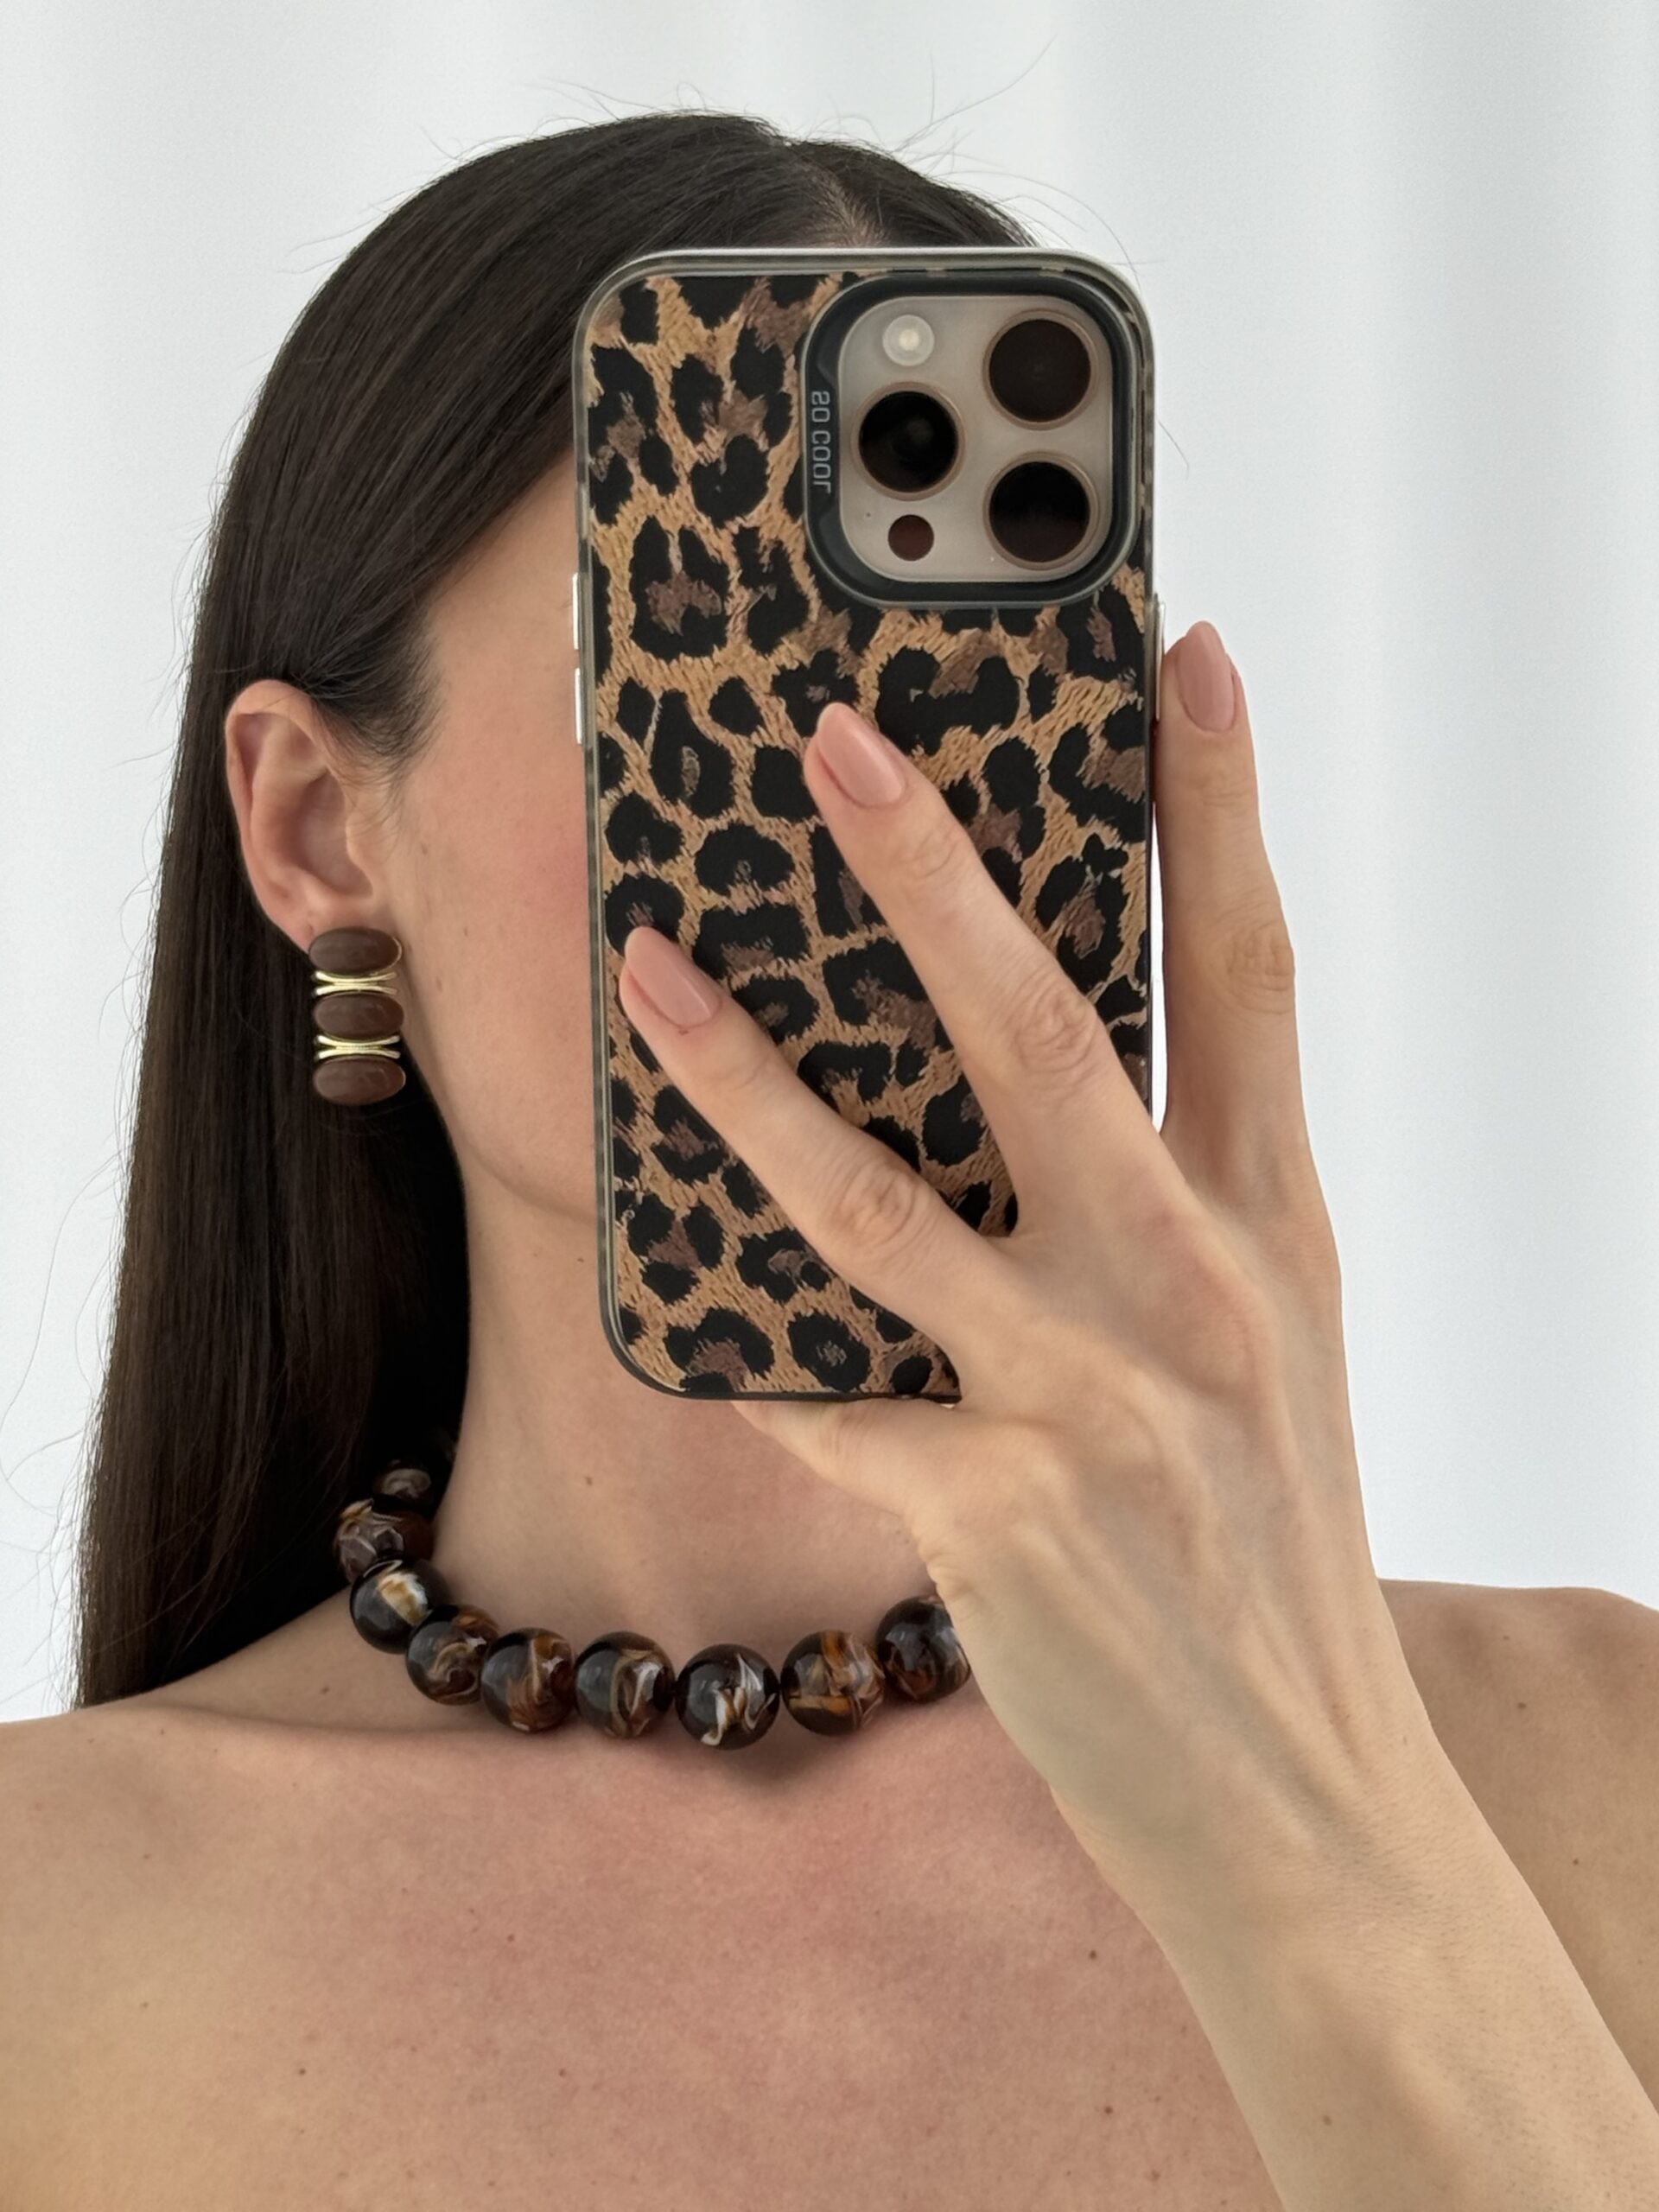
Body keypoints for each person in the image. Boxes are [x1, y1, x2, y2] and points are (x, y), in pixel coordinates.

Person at [3, 110, 1657, 2211]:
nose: (883, 825)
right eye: (710, 659)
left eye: (968, 689)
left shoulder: (1601, 1776)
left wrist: (1313, 1826)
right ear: (323, 827)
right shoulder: (48, 1935)